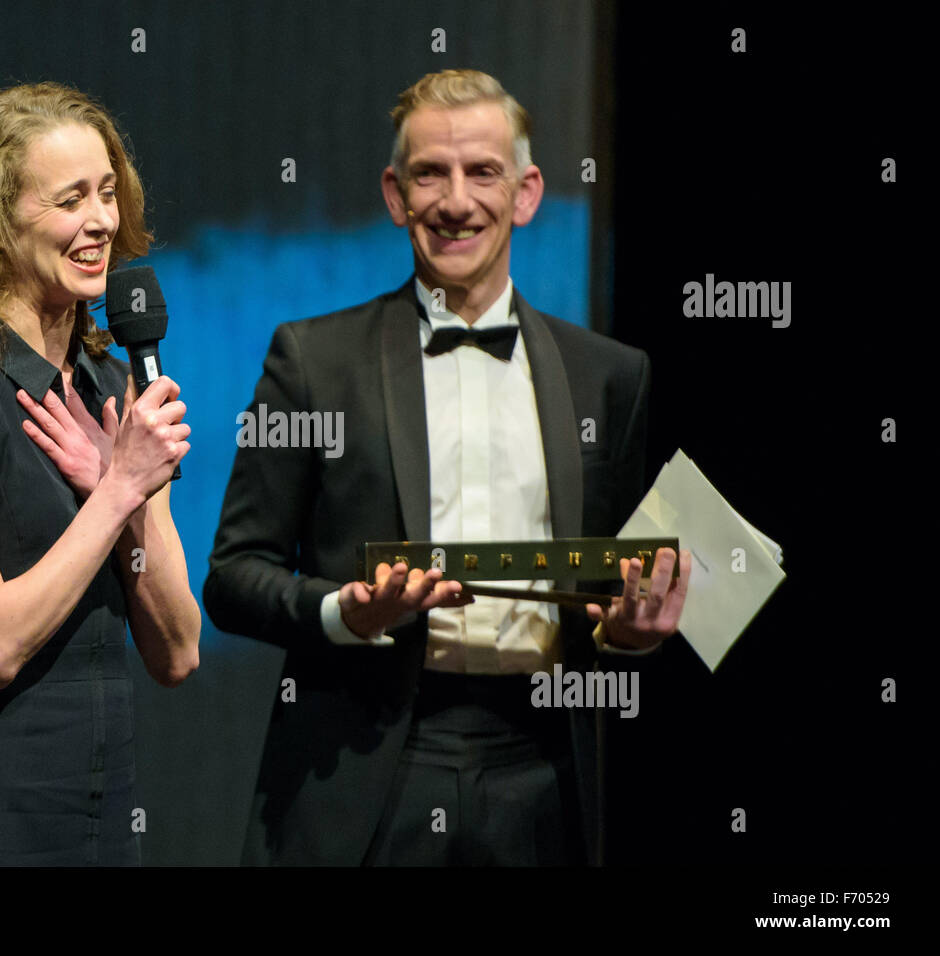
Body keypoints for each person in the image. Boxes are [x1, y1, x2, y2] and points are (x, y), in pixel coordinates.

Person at [204, 69, 689, 865]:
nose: (456, 201)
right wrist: (343, 615)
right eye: (430, 173)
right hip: (365, 763)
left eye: (483, 172)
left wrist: (634, 636)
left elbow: (613, 585)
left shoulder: (610, 375)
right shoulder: (313, 360)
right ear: (395, 195)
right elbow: (232, 575)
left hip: (543, 770)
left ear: (527, 193)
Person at [0, 82, 199, 866]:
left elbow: (179, 651)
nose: (101, 223)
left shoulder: (114, 388)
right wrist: (116, 490)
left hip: (101, 807)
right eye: (69, 200)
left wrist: (128, 502)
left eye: (108, 194)